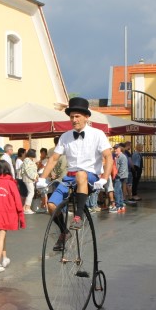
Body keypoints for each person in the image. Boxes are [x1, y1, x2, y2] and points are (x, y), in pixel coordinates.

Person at [37, 97, 113, 244]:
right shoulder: (65, 137)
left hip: (89, 177)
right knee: (51, 206)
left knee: (81, 174)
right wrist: (42, 178)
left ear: (86, 117)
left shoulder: (97, 134)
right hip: (69, 178)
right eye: (72, 117)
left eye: (77, 116)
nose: (74, 119)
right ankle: (64, 232)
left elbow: (108, 157)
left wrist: (104, 178)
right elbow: (53, 159)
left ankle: (78, 216)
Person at [112, 143, 128, 213]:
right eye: (114, 148)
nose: (115, 150)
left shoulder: (122, 157)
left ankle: (118, 206)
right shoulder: (117, 156)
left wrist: (117, 175)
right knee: (119, 191)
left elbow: (123, 168)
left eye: (116, 148)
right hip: (119, 176)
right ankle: (121, 205)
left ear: (120, 149)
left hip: (119, 176)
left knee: (116, 191)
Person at [20, 148, 38, 215]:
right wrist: (34, 177)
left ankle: (25, 208)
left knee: (30, 192)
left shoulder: (29, 160)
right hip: (28, 179)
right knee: (31, 192)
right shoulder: (27, 160)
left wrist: (36, 176)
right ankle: (27, 208)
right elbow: (28, 171)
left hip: (30, 178)